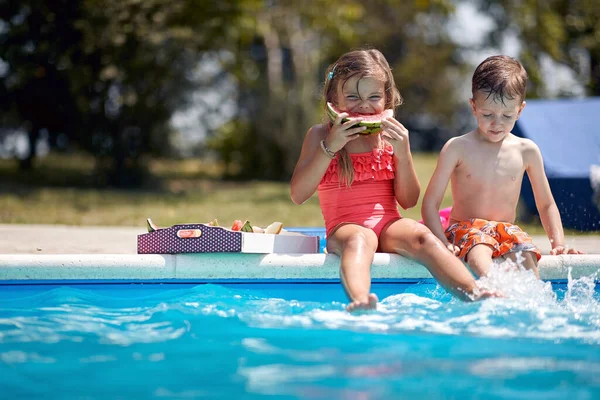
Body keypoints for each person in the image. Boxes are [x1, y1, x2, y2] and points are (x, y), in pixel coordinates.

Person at [290, 48, 494, 311]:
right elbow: (298, 195)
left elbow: (408, 201)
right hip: (345, 227)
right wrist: (330, 146)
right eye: (352, 97)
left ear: (386, 99)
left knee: (424, 236)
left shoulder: (390, 138)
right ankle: (360, 299)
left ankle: (474, 293)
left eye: (374, 97)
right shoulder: (319, 135)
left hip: (389, 224)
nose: (364, 106)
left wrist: (402, 153)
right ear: (333, 99)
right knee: (359, 240)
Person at [422, 55, 583, 280]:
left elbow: (546, 204)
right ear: (473, 107)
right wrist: (442, 242)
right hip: (467, 230)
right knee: (480, 250)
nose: (497, 123)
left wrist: (558, 245)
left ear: (520, 110)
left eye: (507, 115)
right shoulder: (457, 148)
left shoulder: (526, 150)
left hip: (506, 231)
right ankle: (491, 291)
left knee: (527, 259)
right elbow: (430, 203)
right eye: (488, 114)